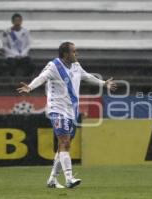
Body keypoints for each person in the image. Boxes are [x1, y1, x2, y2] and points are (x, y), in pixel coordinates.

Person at [17, 42, 117, 188]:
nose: (77, 54)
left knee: (62, 146)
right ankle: (69, 179)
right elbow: (42, 77)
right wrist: (30, 87)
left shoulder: (76, 66)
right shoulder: (54, 66)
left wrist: (103, 83)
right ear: (65, 54)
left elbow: (87, 76)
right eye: (74, 51)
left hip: (72, 111)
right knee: (65, 143)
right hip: (57, 109)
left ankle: (52, 180)